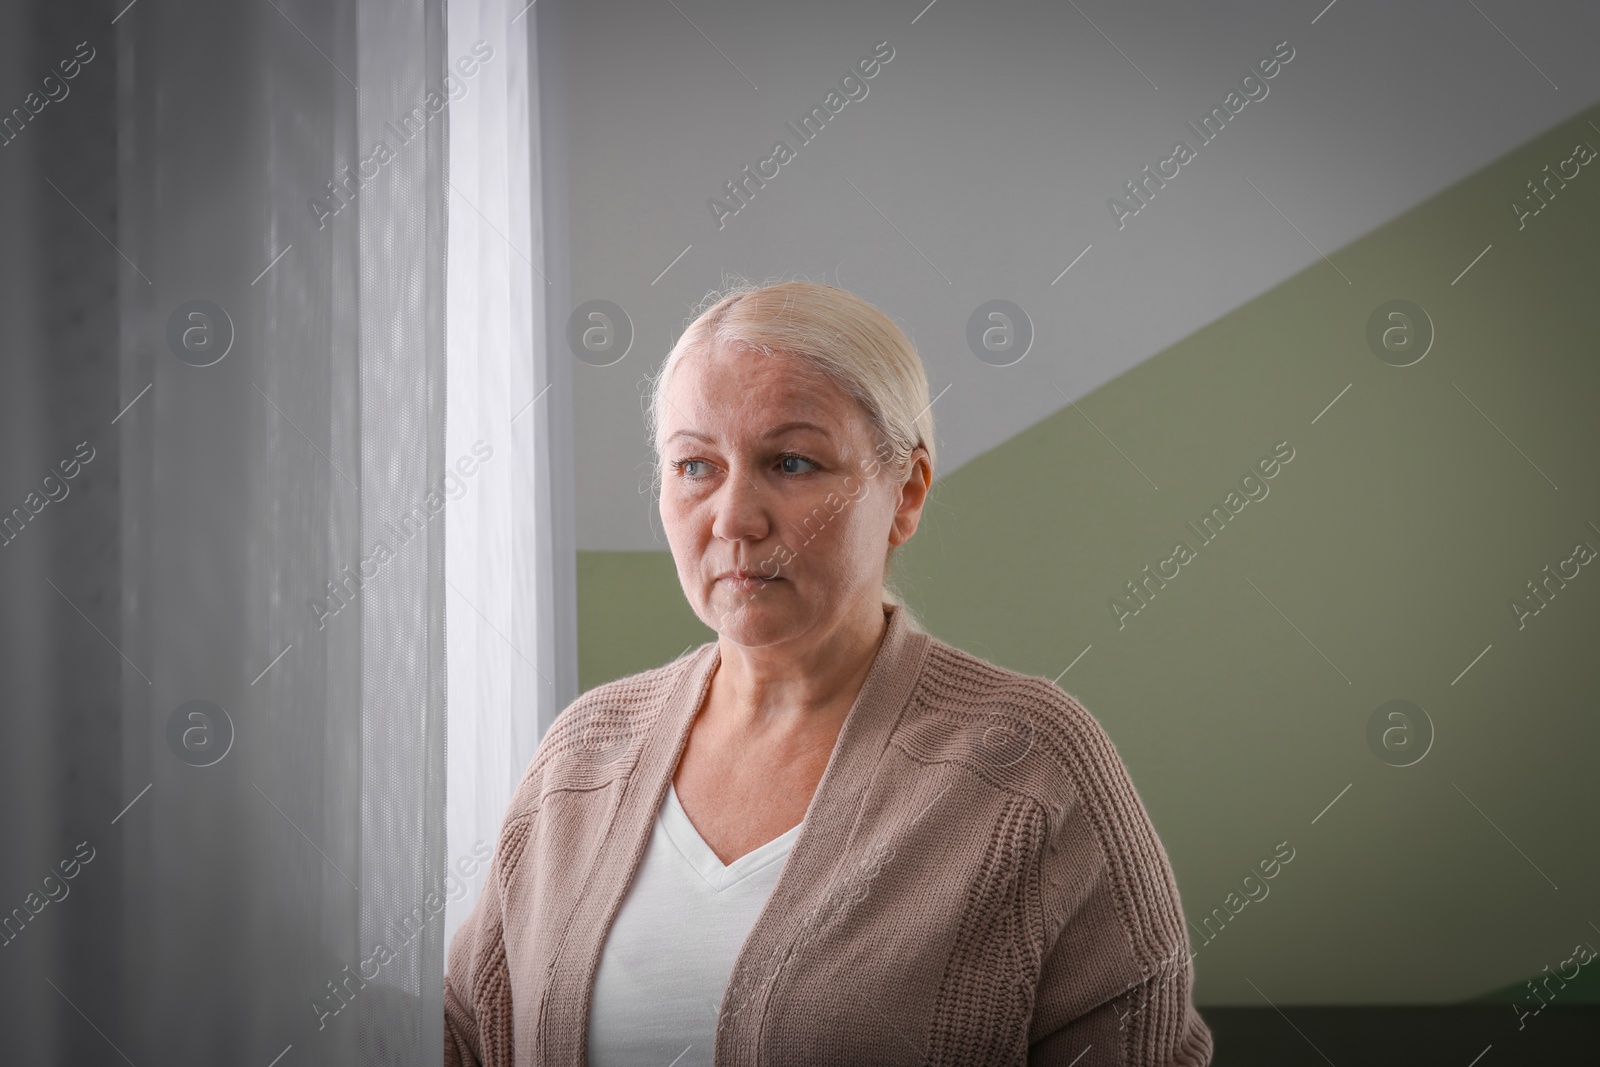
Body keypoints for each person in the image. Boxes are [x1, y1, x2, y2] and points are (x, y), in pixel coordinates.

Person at [444, 280, 1213, 1065]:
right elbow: (467, 1035)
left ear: (906, 493)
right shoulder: (585, 751)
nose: (735, 517)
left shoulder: (1027, 766)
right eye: (695, 466)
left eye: (791, 461)